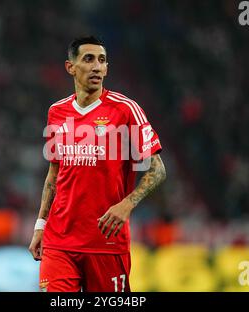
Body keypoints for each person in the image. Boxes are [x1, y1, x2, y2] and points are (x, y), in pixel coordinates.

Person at [28, 36, 166, 292]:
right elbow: (53, 175)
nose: (96, 67)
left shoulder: (126, 110)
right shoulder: (56, 112)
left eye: (102, 61)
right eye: (88, 59)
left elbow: (157, 169)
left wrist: (127, 205)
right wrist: (40, 225)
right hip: (60, 242)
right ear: (70, 67)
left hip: (106, 243)